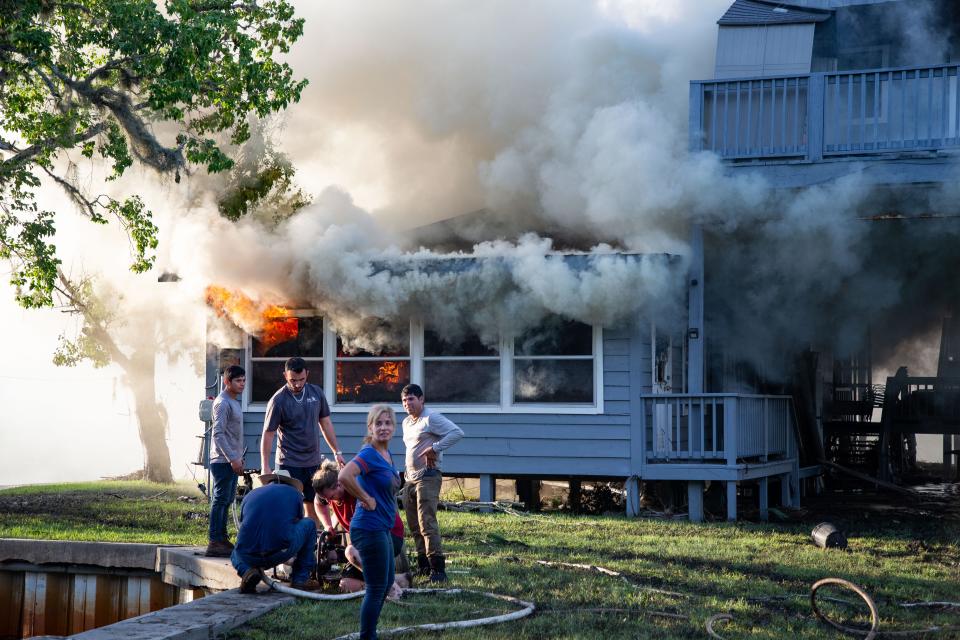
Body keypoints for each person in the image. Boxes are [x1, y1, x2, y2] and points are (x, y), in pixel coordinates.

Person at [338, 404, 401, 640]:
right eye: (378, 423)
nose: (383, 427)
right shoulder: (369, 454)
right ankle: (367, 636)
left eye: (387, 423)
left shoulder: (387, 454)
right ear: (370, 428)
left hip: (382, 527)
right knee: (376, 588)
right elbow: (344, 476)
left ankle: (369, 632)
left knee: (385, 584)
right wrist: (365, 497)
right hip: (368, 527)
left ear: (393, 427)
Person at [260, 356, 346, 530]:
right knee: (289, 511)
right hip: (288, 463)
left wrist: (337, 451)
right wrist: (265, 466)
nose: (297, 384)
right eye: (293, 380)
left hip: (313, 463)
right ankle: (288, 550)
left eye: (301, 379)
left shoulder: (316, 393)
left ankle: (311, 550)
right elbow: (268, 434)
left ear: (307, 374)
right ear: (285, 375)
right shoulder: (278, 401)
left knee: (313, 508)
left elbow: (326, 424)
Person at [312, 460, 410, 597]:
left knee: (350, 551)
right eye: (327, 499)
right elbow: (318, 503)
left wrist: (343, 551)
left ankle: (391, 588)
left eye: (331, 497)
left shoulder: (357, 490)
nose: (330, 501)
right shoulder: (329, 495)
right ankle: (401, 580)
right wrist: (328, 524)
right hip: (368, 539)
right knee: (346, 584)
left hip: (388, 535)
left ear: (339, 484)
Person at [400, 383, 463, 582]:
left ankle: (438, 570)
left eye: (411, 399)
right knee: (414, 526)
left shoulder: (431, 417)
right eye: (404, 400)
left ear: (421, 399)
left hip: (428, 476)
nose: (407, 404)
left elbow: (456, 433)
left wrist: (435, 448)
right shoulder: (406, 423)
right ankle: (423, 566)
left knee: (427, 522)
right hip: (409, 479)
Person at [231, 470, 319, 593]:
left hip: (249, 555)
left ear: (269, 482)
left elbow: (244, 523)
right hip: (278, 552)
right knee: (309, 524)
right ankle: (301, 578)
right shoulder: (295, 494)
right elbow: (297, 522)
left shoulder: (250, 495)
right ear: (290, 483)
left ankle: (247, 571)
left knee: (236, 551)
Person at [205, 365, 246, 558]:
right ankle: (215, 541)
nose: (242, 384)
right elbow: (218, 434)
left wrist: (238, 457)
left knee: (227, 499)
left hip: (231, 459)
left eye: (244, 380)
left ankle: (222, 539)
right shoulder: (222, 403)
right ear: (226, 382)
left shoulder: (234, 402)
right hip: (222, 460)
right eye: (238, 381)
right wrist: (232, 459)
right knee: (220, 499)